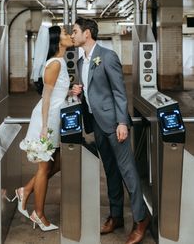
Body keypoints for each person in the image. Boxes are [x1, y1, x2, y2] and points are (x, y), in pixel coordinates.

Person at [71, 17, 150, 244]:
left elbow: (119, 92)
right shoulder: (80, 62)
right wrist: (78, 90)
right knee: (110, 171)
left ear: (87, 33)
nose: (73, 34)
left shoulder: (107, 56)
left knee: (127, 171)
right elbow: (93, 90)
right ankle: (116, 216)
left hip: (115, 124)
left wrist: (122, 122)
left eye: (75, 31)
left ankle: (140, 219)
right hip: (96, 122)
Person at [13, 25, 73, 231]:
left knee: (57, 163)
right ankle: (38, 214)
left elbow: (56, 91)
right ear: (57, 40)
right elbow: (46, 97)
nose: (70, 35)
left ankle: (26, 189)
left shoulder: (60, 62)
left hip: (55, 118)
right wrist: (44, 127)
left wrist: (70, 90)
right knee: (45, 167)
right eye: (66, 34)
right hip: (46, 120)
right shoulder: (54, 63)